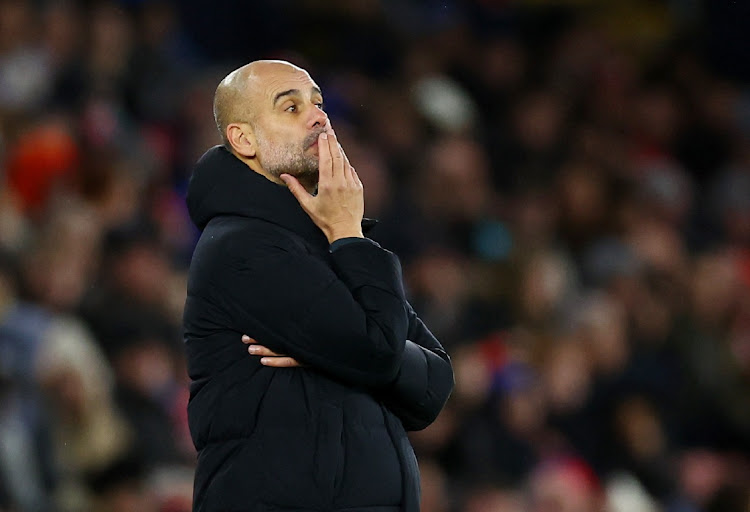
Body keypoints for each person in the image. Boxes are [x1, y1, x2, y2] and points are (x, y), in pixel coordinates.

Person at [183, 60, 454, 512]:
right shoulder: (241, 248)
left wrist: (341, 354)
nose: (318, 116)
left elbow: (435, 386)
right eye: (290, 108)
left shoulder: (330, 244)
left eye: (318, 102)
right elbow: (381, 350)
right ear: (243, 139)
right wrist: (350, 236)